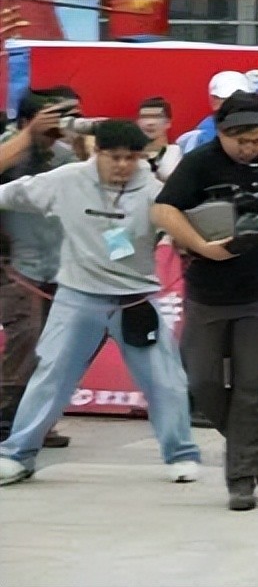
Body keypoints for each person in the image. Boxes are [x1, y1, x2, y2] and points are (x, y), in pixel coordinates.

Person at [0, 121, 201, 487]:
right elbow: (9, 196)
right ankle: (17, 455)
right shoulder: (64, 180)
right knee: (51, 376)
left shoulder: (156, 192)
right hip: (77, 296)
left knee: (166, 380)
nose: (123, 165)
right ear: (98, 153)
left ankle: (181, 454)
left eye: (131, 158)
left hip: (135, 299)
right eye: (114, 157)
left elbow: (188, 228)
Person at [152, 91, 258, 510]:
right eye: (240, 140)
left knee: (251, 388)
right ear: (220, 133)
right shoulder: (200, 162)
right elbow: (164, 210)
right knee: (202, 382)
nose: (250, 148)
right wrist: (203, 246)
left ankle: (240, 479)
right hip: (207, 292)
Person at [0, 92, 77, 448]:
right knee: (26, 335)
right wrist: (30, 134)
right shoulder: (10, 148)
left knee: (55, 345)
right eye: (53, 119)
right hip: (14, 265)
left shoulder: (65, 157)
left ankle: (37, 419)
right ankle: (5, 414)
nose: (58, 126)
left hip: (58, 266)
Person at [175, 71, 252, 154]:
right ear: (215, 101)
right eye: (228, 98)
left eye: (242, 98)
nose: (237, 104)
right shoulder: (198, 138)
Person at [136, 96, 182, 181]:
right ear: (138, 122)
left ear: (168, 122)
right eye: (144, 117)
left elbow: (167, 173)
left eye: (156, 117)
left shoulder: (174, 151)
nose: (150, 123)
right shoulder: (130, 154)